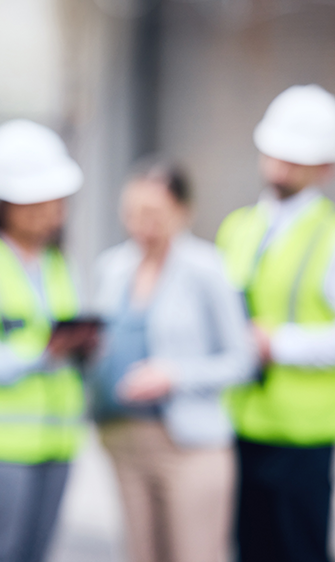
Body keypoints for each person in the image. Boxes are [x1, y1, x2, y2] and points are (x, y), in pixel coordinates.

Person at [216, 85, 335, 562]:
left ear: (327, 168)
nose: (281, 165)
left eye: (297, 158)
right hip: (239, 425)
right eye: (276, 153)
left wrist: (282, 345)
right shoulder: (238, 227)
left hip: (302, 439)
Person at [0, 119, 95, 562]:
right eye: (40, 203)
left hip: (59, 437)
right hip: (0, 443)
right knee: (0, 554)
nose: (53, 213)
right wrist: (44, 353)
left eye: (57, 203)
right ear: (7, 202)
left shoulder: (57, 259)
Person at [89, 161, 255, 562]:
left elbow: (242, 359)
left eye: (153, 215)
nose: (140, 227)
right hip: (124, 439)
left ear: (182, 212)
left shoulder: (208, 270)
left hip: (189, 444)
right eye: (132, 214)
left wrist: (175, 375)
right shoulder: (112, 267)